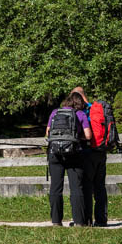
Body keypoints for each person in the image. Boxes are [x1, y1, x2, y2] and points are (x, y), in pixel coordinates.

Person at [46, 91, 92, 227]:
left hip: (55, 153)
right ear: (79, 103)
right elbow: (88, 136)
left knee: (55, 187)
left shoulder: (55, 112)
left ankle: (56, 221)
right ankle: (78, 221)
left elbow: (47, 133)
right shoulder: (80, 114)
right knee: (76, 187)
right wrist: (77, 138)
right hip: (73, 153)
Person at [72, 86, 108, 227]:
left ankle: (87, 220)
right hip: (101, 151)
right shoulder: (96, 108)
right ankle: (101, 220)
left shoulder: (81, 111)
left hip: (87, 151)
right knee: (100, 186)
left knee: (87, 186)